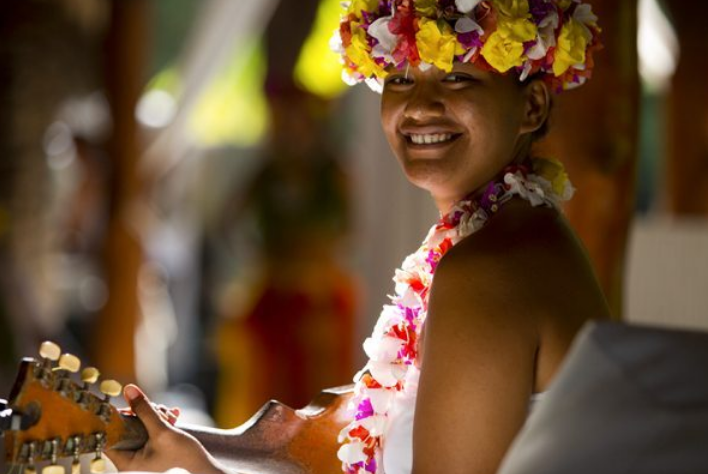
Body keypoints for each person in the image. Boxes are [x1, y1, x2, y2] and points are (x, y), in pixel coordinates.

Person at [105, 1, 612, 473]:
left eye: (458, 78)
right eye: (400, 77)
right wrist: (197, 459)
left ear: (533, 106)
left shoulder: (488, 268)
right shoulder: (508, 235)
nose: (419, 106)